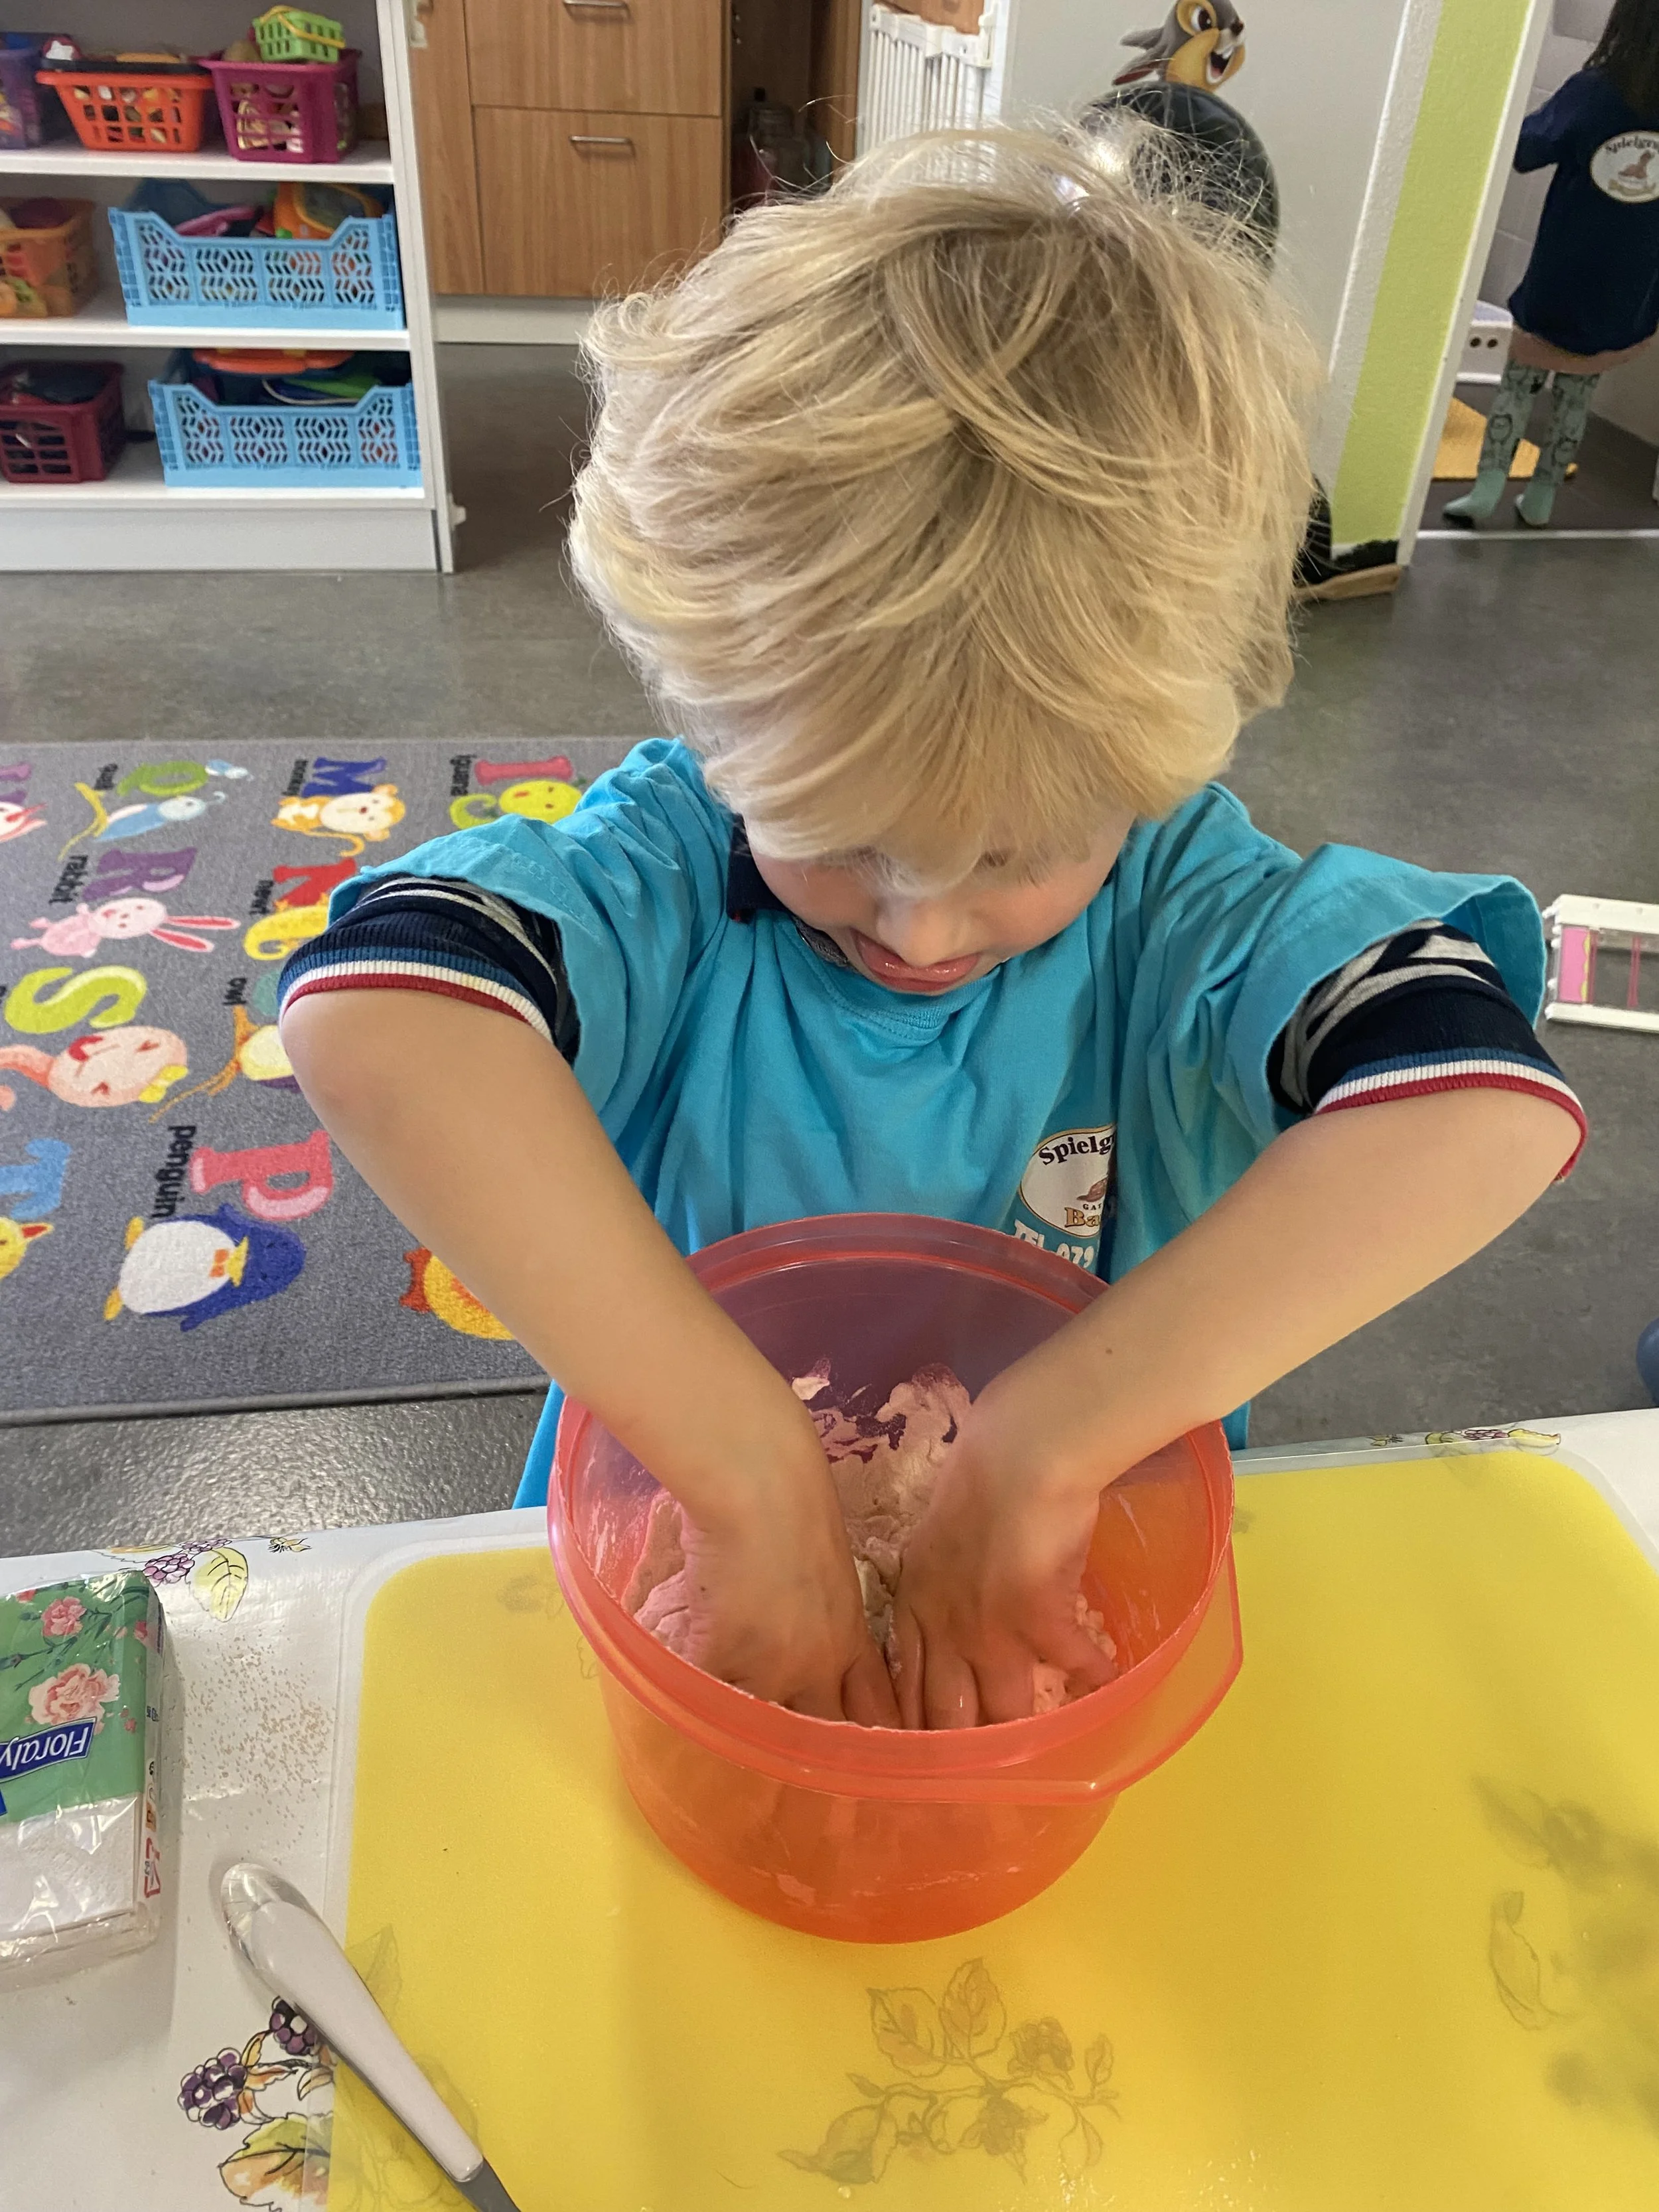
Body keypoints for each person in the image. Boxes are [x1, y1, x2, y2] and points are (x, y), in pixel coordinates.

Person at [279, 125, 1583, 1733]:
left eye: (1016, 850)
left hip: (1074, 1571)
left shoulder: (1190, 909)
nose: (919, 919)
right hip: (681, 1556)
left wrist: (1042, 1453)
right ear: (712, 725)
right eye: (833, 836)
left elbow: (1478, 1109)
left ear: (1162, 760)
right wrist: (746, 1473)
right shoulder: (671, 872)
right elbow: (376, 1012)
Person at [1447, 0, 1659, 529]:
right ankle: (1542, 493)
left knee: (1519, 380)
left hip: (1562, 273)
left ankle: (1488, 485)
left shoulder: (1596, 92)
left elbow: (1523, 149)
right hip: (1629, 288)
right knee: (1579, 388)